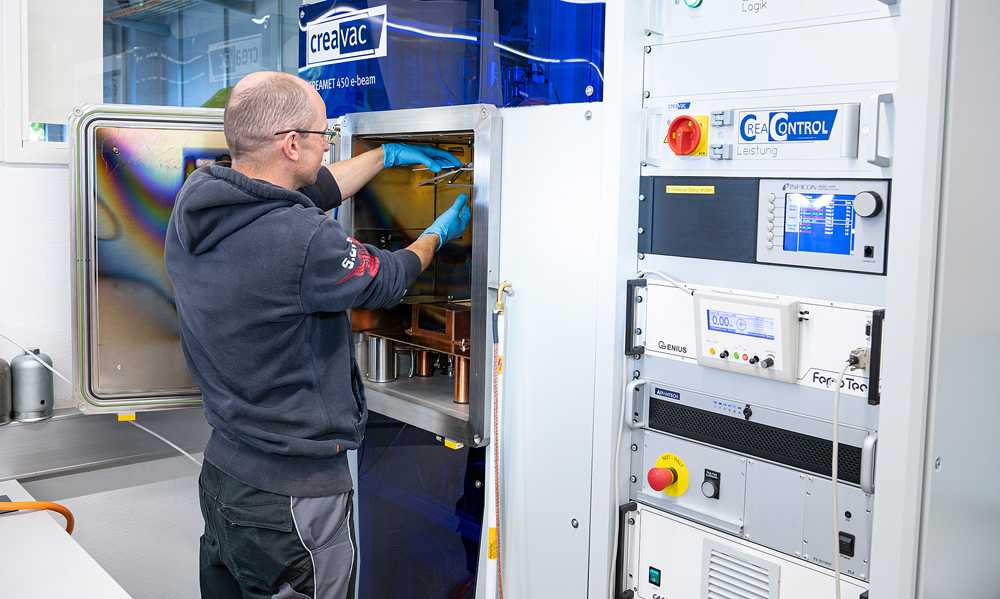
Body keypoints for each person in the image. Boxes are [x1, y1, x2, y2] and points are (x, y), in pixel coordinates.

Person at [164, 71, 471, 599]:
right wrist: (436, 235)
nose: (328, 145)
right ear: (290, 144)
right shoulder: (301, 240)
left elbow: (314, 188)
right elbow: (388, 279)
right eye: (323, 136)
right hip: (292, 497)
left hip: (225, 475)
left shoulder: (200, 200)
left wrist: (384, 157)